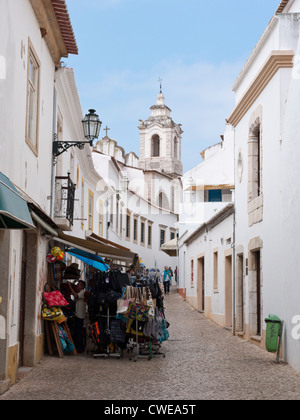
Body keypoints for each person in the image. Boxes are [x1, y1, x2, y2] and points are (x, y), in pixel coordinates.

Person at [68, 280, 86, 353]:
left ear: (82, 286)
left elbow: (75, 295)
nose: (77, 286)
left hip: (80, 315)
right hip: (77, 314)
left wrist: (70, 286)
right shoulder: (80, 292)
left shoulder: (82, 292)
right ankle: (78, 347)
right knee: (77, 332)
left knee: (78, 332)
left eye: (78, 284)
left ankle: (80, 348)